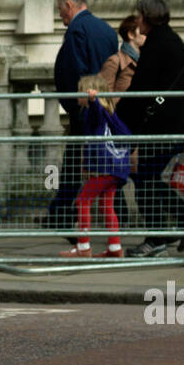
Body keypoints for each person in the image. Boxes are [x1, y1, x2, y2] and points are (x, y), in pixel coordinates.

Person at [125, 0, 184, 257]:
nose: (136, 20)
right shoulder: (171, 41)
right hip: (173, 126)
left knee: (144, 177)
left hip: (159, 128)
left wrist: (119, 118)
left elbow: (140, 91)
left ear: (147, 17)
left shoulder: (158, 46)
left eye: (139, 16)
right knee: (147, 177)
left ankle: (157, 238)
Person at [45, 0, 119, 236]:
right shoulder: (107, 29)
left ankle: (62, 215)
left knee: (75, 162)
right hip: (106, 104)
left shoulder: (77, 29)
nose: (61, 17)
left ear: (69, 5)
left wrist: (75, 103)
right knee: (105, 161)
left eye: (60, 10)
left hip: (85, 105)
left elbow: (74, 69)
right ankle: (116, 214)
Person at [59, 75, 131, 260]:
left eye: (80, 90)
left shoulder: (97, 112)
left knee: (82, 201)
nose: (77, 94)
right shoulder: (111, 114)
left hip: (104, 168)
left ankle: (83, 246)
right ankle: (115, 247)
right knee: (107, 206)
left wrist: (93, 102)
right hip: (115, 169)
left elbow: (95, 114)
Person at [99, 14, 144, 93]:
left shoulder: (146, 60)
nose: (146, 35)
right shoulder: (115, 61)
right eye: (142, 31)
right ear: (131, 35)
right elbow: (104, 97)